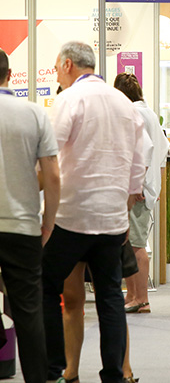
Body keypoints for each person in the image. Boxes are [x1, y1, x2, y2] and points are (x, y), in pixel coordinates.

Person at [43, 41, 145, 383]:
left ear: (69, 64)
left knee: (43, 284)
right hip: (112, 220)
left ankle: (55, 368)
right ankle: (113, 375)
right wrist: (125, 206)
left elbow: (49, 154)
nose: (57, 74)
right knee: (110, 297)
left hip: (73, 216)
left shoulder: (69, 99)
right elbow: (138, 163)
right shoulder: (124, 102)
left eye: (57, 67)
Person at [0, 49, 60, 383]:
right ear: (9, 75)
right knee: (28, 311)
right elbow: (52, 175)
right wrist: (48, 222)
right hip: (23, 226)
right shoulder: (34, 114)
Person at [114, 73, 169, 312]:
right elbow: (163, 147)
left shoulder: (134, 113)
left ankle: (141, 298)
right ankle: (134, 295)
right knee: (133, 243)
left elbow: (146, 149)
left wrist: (137, 183)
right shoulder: (148, 112)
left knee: (136, 245)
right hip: (146, 186)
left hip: (139, 191)